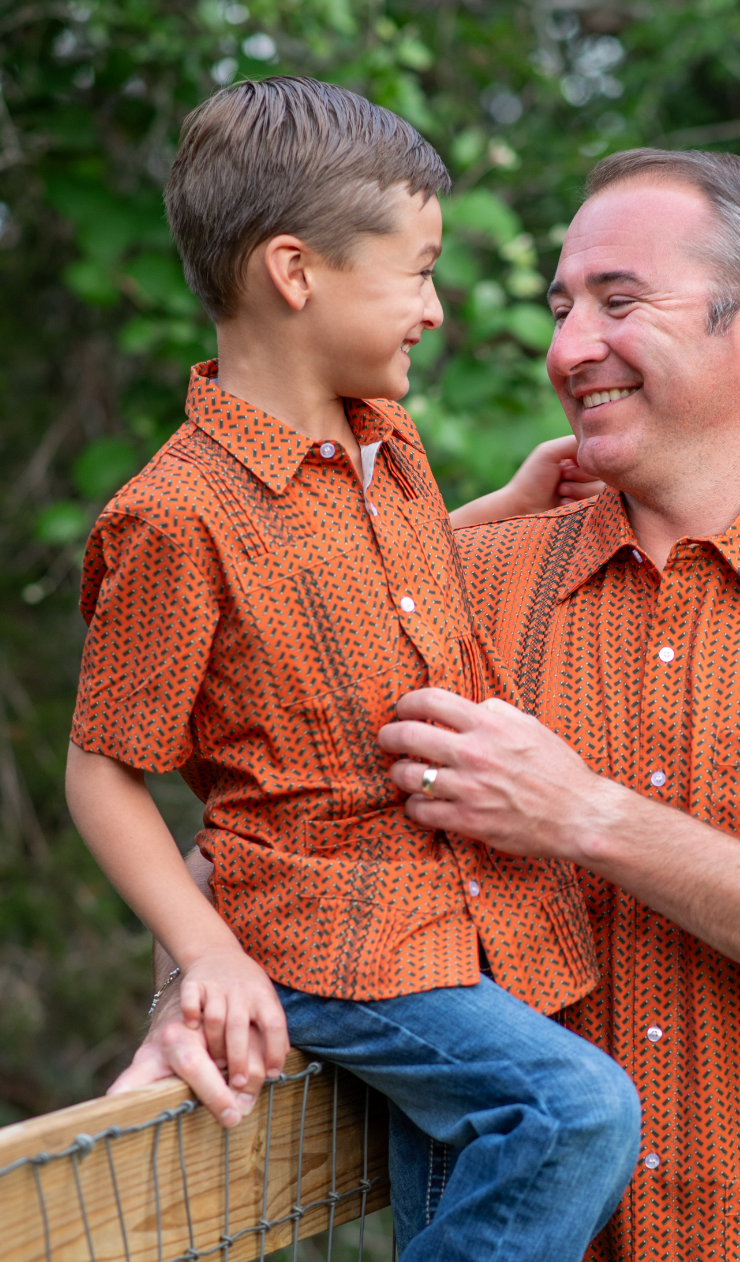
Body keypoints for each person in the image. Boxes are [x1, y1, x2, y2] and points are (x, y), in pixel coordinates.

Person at [120, 148, 740, 1260]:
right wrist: (188, 986)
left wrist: (586, 816)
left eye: (617, 301)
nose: (566, 348)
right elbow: (268, 822)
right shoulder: (464, 584)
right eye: (561, 307)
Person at [65, 77, 639, 1262]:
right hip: (330, 935)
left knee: (462, 1170)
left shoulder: (387, 441)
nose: (436, 306)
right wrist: (209, 952)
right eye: (416, 269)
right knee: (576, 1108)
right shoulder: (175, 517)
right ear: (295, 272)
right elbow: (102, 772)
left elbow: (367, 586)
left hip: (454, 921)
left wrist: (497, 510)